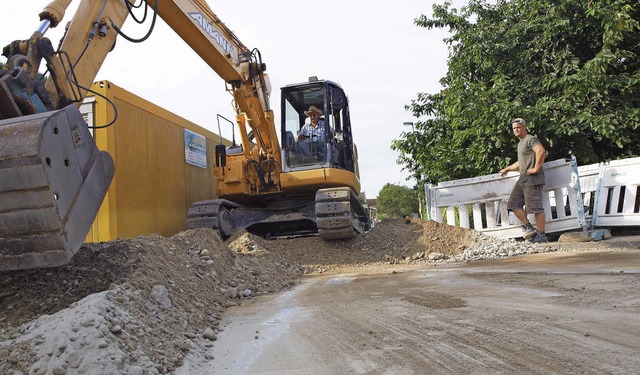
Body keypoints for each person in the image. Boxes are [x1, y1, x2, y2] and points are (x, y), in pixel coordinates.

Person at [499, 118, 548, 243]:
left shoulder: (530, 139)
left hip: (533, 179)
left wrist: (536, 168)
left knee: (536, 208)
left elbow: (541, 150)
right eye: (514, 128)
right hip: (523, 179)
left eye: (518, 127)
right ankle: (528, 227)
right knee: (513, 204)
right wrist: (507, 169)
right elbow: (521, 162)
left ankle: (541, 235)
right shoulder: (521, 143)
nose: (516, 130)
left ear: (524, 128)